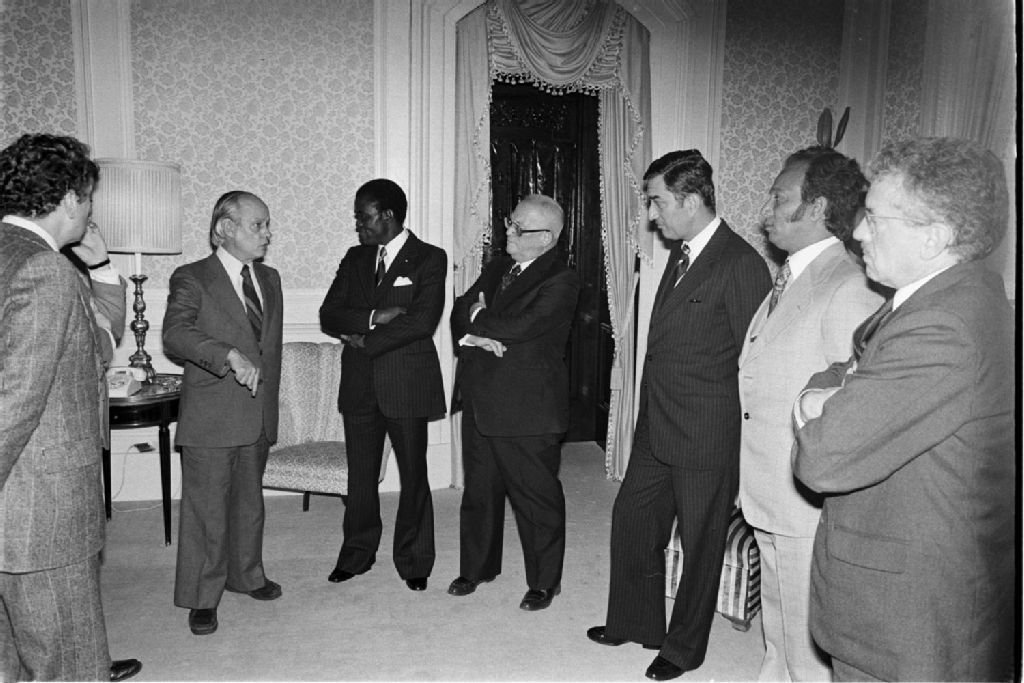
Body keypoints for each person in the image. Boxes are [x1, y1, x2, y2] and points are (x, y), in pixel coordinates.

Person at [793, 137, 1014, 681]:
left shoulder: (943, 327)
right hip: (914, 606)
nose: (858, 233)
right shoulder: (944, 299)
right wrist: (830, 394)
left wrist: (819, 404)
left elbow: (823, 459)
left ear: (933, 237)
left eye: (874, 217)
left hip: (909, 625)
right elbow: (840, 370)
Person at [588, 150, 770, 680]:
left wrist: (747, 449)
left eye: (657, 201)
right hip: (658, 424)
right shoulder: (683, 252)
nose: (651, 214)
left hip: (707, 433)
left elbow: (756, 362)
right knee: (631, 519)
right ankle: (635, 621)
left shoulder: (740, 263)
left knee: (701, 543)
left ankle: (684, 648)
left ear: (690, 200)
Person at [737, 147, 882, 681]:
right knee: (778, 612)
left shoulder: (849, 285)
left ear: (817, 207)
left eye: (780, 198)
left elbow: (853, 402)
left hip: (806, 493)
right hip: (770, 481)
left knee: (806, 628)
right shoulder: (792, 276)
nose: (767, 212)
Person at [0, 133, 139, 681]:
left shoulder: (16, 257)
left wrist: (100, 270)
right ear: (68, 200)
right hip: (39, 511)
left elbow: (92, 345)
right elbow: (15, 401)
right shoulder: (46, 271)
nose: (91, 209)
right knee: (70, 665)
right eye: (89, 198)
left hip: (15, 509)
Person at [448, 194, 579, 611]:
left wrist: (478, 320)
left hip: (528, 409)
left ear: (546, 238)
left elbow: (523, 326)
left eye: (520, 228)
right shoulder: (498, 267)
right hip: (482, 397)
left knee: (535, 498)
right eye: (510, 222)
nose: (508, 231)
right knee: (479, 491)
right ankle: (478, 568)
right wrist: (476, 332)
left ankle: (544, 581)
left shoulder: (561, 280)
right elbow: (458, 309)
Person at [163, 190, 283, 636]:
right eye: (258, 225)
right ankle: (201, 596)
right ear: (225, 228)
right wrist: (226, 354)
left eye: (267, 225)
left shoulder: (269, 278)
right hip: (211, 414)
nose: (267, 234)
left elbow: (267, 348)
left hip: (256, 411)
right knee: (207, 512)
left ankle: (246, 574)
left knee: (249, 503)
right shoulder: (192, 276)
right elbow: (175, 334)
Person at [319, 178, 446, 591]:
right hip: (359, 383)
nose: (358, 224)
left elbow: (422, 321)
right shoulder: (355, 258)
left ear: (387, 215)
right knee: (360, 475)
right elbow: (329, 314)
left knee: (413, 474)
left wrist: (366, 341)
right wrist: (375, 317)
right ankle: (357, 554)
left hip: (406, 382)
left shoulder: (430, 258)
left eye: (364, 216)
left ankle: (414, 560)